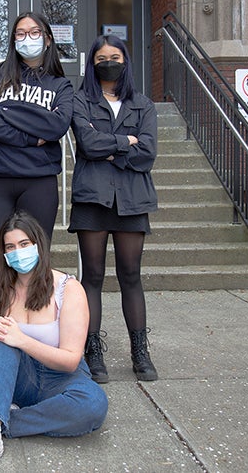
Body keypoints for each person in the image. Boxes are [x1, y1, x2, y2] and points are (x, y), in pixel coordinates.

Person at [0, 210, 108, 473]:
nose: (17, 251)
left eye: (24, 244)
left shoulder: (68, 288)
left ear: (39, 244)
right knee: (1, 335)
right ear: (3, 253)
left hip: (59, 378)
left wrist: (22, 339)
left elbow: (71, 360)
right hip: (17, 377)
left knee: (93, 404)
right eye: (10, 247)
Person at [69, 34, 159, 383]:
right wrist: (126, 142)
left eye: (116, 56)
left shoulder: (144, 105)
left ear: (126, 62)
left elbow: (148, 153)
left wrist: (112, 150)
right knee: (91, 276)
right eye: (102, 57)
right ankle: (93, 351)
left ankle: (140, 352)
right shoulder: (80, 101)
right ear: (92, 63)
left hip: (133, 199)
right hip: (93, 196)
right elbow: (88, 145)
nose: (109, 62)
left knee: (131, 275)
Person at [0, 11, 74, 288]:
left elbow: (57, 126)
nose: (28, 39)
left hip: (39, 182)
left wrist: (7, 111)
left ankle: (27, 322)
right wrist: (29, 136)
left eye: (35, 32)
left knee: (30, 261)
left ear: (48, 39)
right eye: (21, 33)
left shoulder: (61, 85)